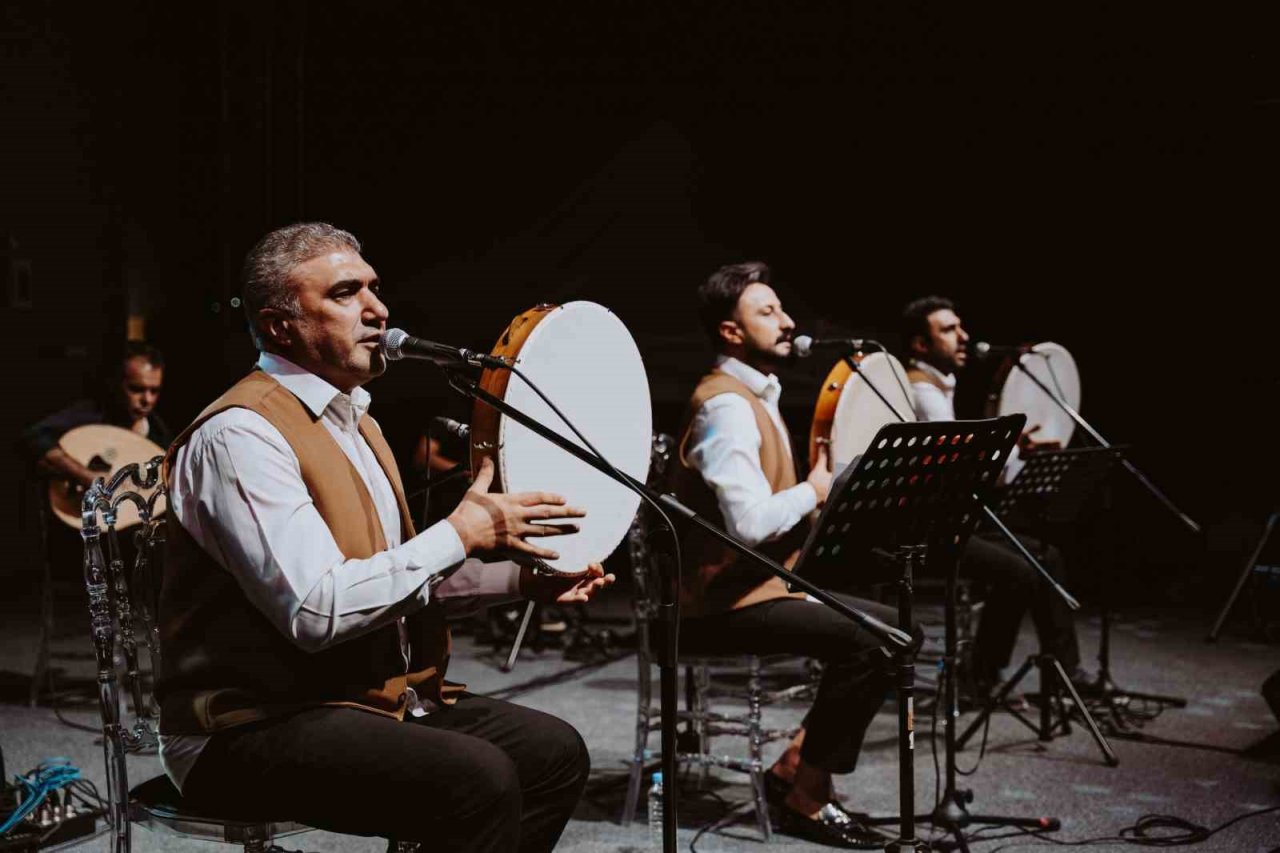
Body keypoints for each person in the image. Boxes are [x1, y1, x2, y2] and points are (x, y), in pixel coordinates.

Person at [156, 222, 612, 852]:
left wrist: (524, 579)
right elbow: (318, 609)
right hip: (247, 724)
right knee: (475, 779)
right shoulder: (241, 436)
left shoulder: (354, 420)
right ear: (279, 325)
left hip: (356, 702)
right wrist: (460, 531)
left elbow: (391, 577)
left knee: (552, 753)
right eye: (346, 293)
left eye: (375, 287)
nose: (378, 309)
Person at [670, 261, 917, 849]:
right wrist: (816, 488)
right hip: (714, 607)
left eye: (783, 309)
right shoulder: (726, 405)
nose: (788, 322)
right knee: (874, 642)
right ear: (730, 332)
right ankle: (806, 798)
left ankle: (794, 768)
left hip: (756, 589)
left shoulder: (755, 394)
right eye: (767, 312)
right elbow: (750, 525)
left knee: (900, 632)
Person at [900, 295, 1089, 693]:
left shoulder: (940, 389)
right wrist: (1009, 450)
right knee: (1021, 571)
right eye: (949, 330)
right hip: (928, 529)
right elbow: (956, 474)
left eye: (960, 326)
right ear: (920, 345)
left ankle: (1064, 674)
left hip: (953, 520)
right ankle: (980, 675)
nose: (963, 336)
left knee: (1044, 556)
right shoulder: (924, 394)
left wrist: (1012, 450)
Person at [21, 341, 171, 487]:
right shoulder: (93, 413)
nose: (147, 400)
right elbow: (35, 437)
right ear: (116, 383)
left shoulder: (158, 434)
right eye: (136, 389)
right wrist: (85, 476)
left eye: (154, 391)